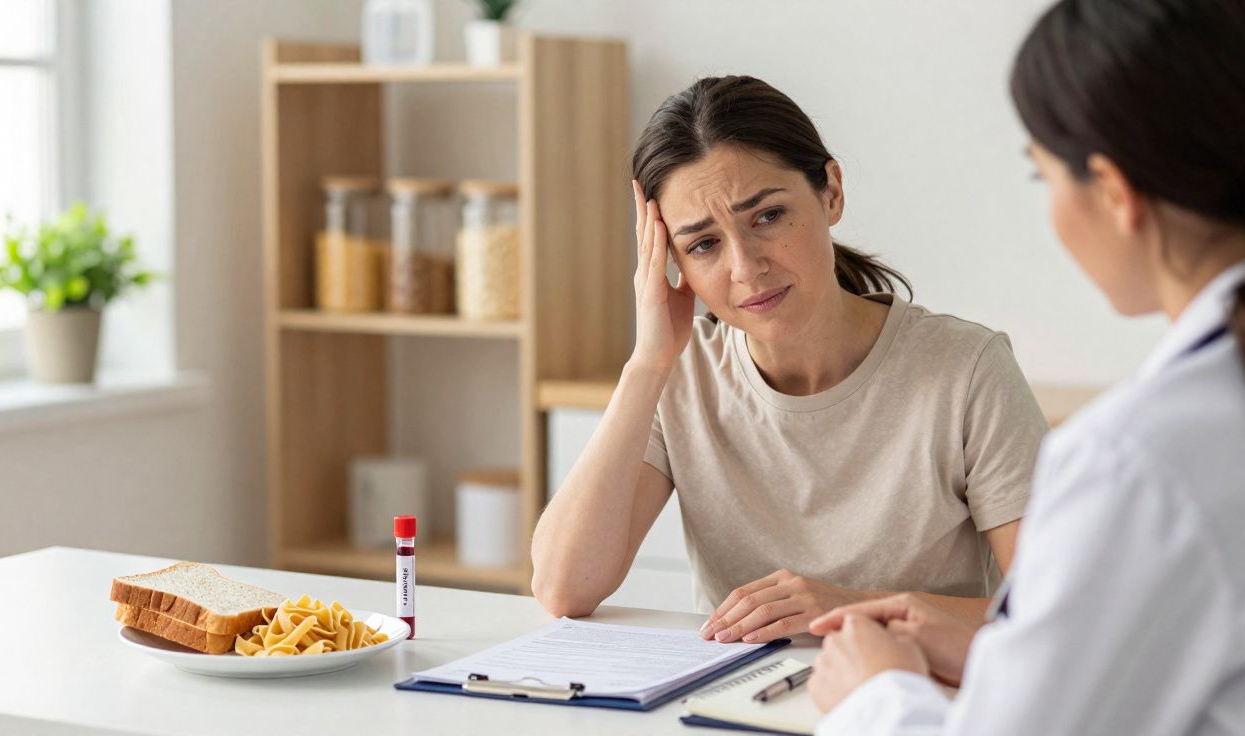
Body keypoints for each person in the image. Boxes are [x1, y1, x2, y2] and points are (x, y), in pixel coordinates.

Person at [805, 0, 1245, 733]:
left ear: (1112, 192)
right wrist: (1012, 651)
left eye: (1043, 177)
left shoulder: (1135, 459)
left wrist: (873, 697)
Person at [530, 75, 1049, 641]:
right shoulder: (681, 374)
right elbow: (563, 587)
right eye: (703, 244)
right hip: (733, 707)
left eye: (768, 216)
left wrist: (848, 609)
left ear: (831, 192)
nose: (746, 267)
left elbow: (1054, 614)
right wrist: (647, 362)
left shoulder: (968, 370)